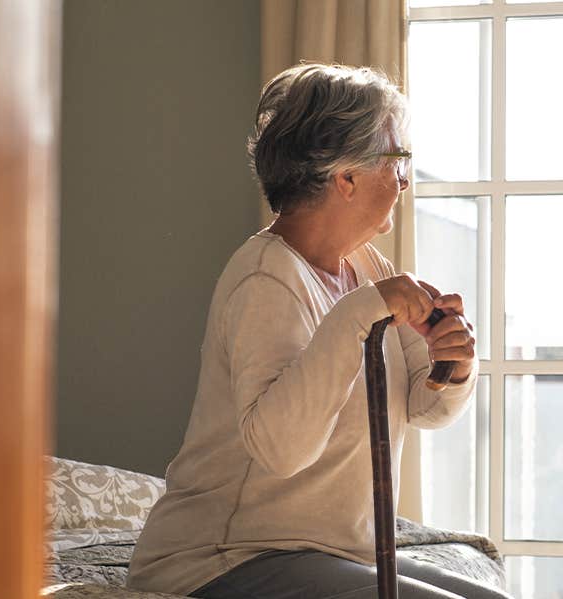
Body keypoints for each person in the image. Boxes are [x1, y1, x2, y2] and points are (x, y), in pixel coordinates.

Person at [127, 63, 511, 599]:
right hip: (225, 558)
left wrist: (453, 366)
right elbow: (281, 449)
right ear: (346, 177)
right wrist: (357, 315)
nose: (404, 180)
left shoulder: (367, 269)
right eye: (397, 160)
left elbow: (423, 408)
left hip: (326, 551)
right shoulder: (266, 278)